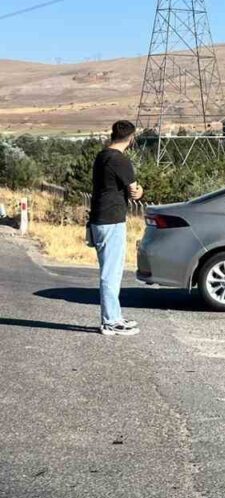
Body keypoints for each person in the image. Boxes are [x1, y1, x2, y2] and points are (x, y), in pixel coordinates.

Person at [89, 120, 144, 336]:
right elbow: (133, 192)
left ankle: (115, 316)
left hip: (98, 217)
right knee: (111, 273)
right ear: (131, 138)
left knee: (108, 270)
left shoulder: (102, 156)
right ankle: (111, 321)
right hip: (112, 219)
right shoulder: (120, 160)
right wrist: (140, 191)